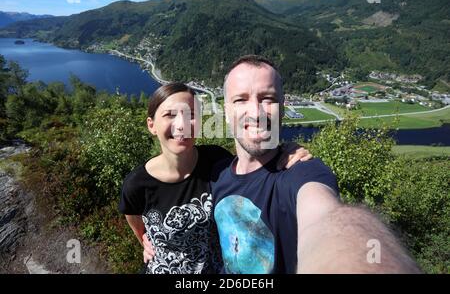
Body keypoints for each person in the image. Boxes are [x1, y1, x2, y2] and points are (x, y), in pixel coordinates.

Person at [209, 55, 421, 274]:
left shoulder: (302, 172)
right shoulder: (216, 175)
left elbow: (326, 217)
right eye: (240, 100)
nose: (256, 113)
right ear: (226, 112)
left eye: (268, 99)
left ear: (282, 108)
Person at [119, 83, 312, 274]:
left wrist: (285, 151)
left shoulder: (217, 160)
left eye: (191, 115)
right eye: (170, 115)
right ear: (151, 125)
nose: (181, 124)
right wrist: (145, 238)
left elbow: (256, 171)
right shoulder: (137, 184)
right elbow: (133, 217)